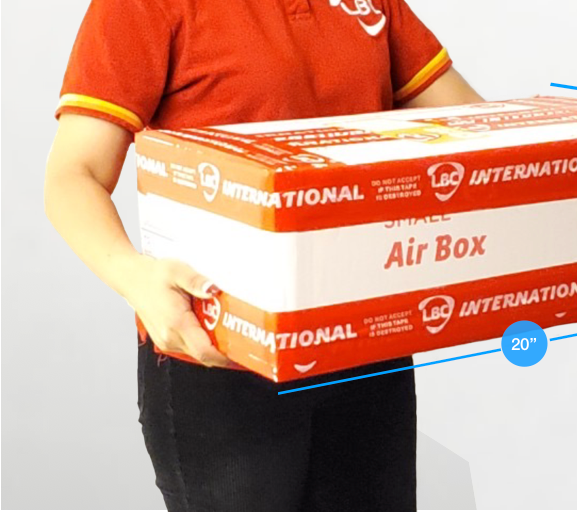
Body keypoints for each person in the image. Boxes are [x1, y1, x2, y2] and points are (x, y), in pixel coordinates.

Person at [44, 0, 483, 510]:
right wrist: (136, 280)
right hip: (221, 358)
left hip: (366, 344)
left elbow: (477, 127)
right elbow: (73, 175)